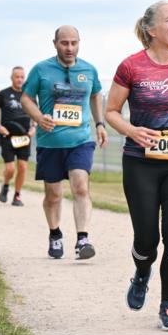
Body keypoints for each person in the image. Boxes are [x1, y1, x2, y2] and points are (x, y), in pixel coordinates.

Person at [106, 1, 168, 331]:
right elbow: (111, 112)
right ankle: (141, 272)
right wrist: (132, 130)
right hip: (140, 163)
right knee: (146, 240)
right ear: (151, 30)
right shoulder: (131, 67)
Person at [22, 26, 108, 260]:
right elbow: (26, 98)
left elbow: (96, 94)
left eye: (74, 43)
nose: (69, 48)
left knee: (80, 185)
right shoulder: (41, 70)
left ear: (79, 43)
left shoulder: (89, 70)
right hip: (50, 142)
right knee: (54, 195)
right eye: (64, 43)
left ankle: (83, 239)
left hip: (80, 140)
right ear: (55, 43)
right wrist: (39, 117)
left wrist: (100, 123)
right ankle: (55, 233)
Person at [0, 67, 36, 206]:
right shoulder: (3, 94)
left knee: (23, 167)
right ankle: (5, 185)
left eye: (22, 77)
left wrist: (34, 127)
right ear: (12, 78)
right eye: (17, 77)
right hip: (8, 136)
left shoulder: (29, 95)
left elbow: (36, 113)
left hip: (24, 136)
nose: (20, 80)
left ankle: (17, 195)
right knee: (10, 169)